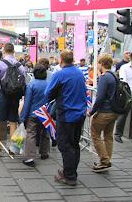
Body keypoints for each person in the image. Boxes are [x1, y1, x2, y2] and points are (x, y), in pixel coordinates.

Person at [45, 50, 87, 186]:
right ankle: (71, 171)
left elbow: (48, 93)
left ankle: (69, 176)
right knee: (75, 144)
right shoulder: (79, 73)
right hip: (80, 114)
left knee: (65, 145)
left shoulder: (60, 74)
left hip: (67, 114)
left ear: (61, 60)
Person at [0, 43, 26, 155]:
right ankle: (13, 149)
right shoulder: (20, 65)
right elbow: (23, 82)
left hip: (2, 94)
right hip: (14, 97)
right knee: (13, 121)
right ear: (14, 51)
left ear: (4, 51)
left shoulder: (0, 63)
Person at [89, 54, 118, 172]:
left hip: (105, 111)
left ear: (101, 64)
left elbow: (100, 97)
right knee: (108, 136)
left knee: (95, 134)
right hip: (114, 111)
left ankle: (104, 160)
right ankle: (106, 160)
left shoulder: (104, 77)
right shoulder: (114, 76)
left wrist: (92, 111)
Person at [20, 64, 50, 167]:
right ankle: (44, 152)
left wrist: (23, 117)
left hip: (33, 113)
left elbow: (27, 102)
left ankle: (30, 157)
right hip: (45, 112)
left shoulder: (31, 85)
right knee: (45, 133)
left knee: (31, 134)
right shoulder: (48, 84)